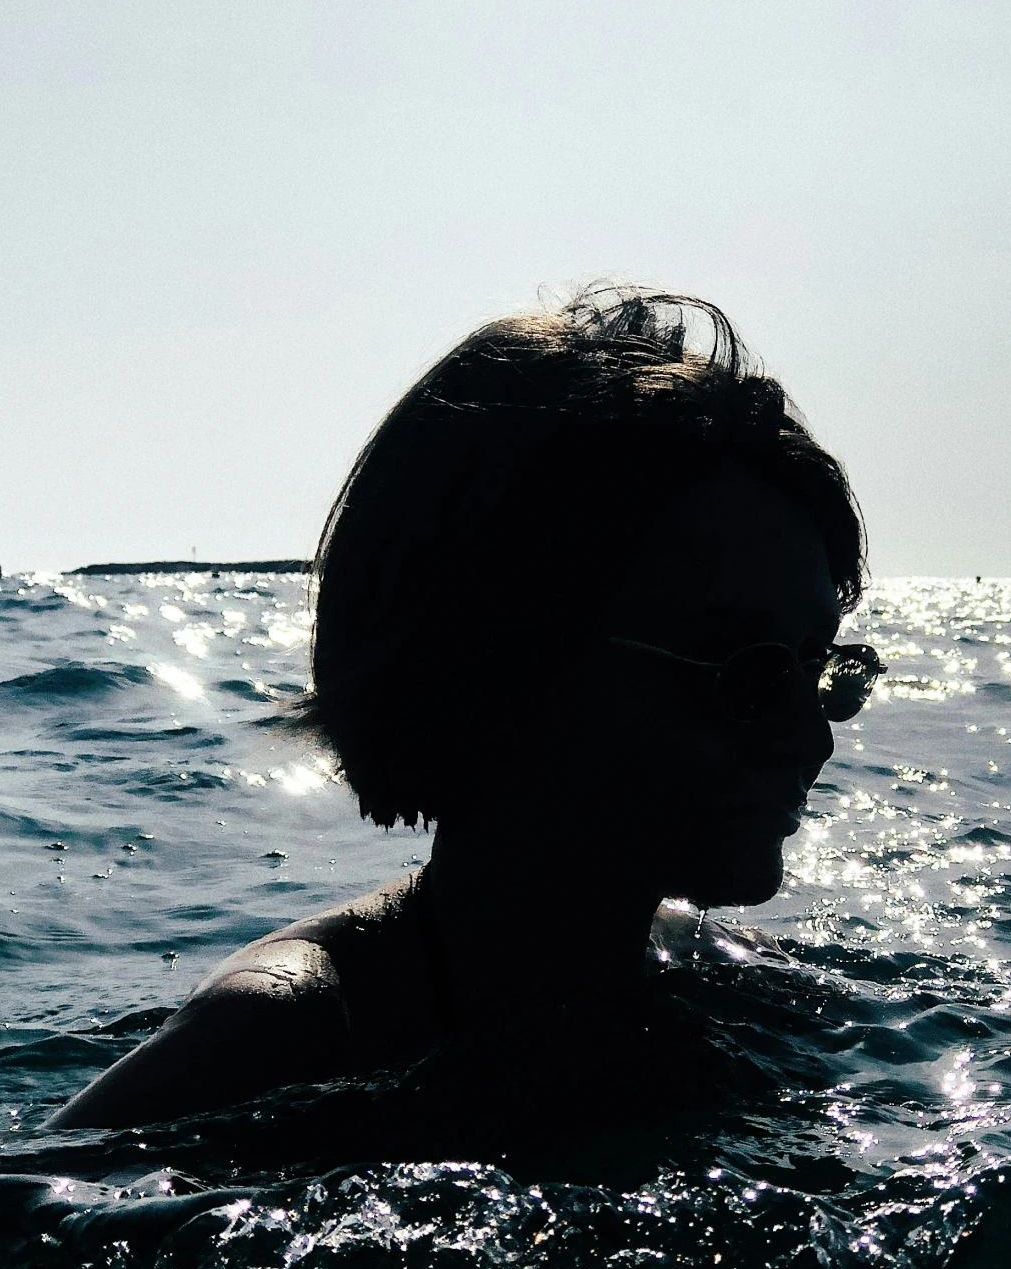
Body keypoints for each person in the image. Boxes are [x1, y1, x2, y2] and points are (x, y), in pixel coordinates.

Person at [51, 288, 879, 1130]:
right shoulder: (283, 1037)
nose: (811, 737)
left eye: (824, 670)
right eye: (748, 673)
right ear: (501, 667)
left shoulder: (730, 977)